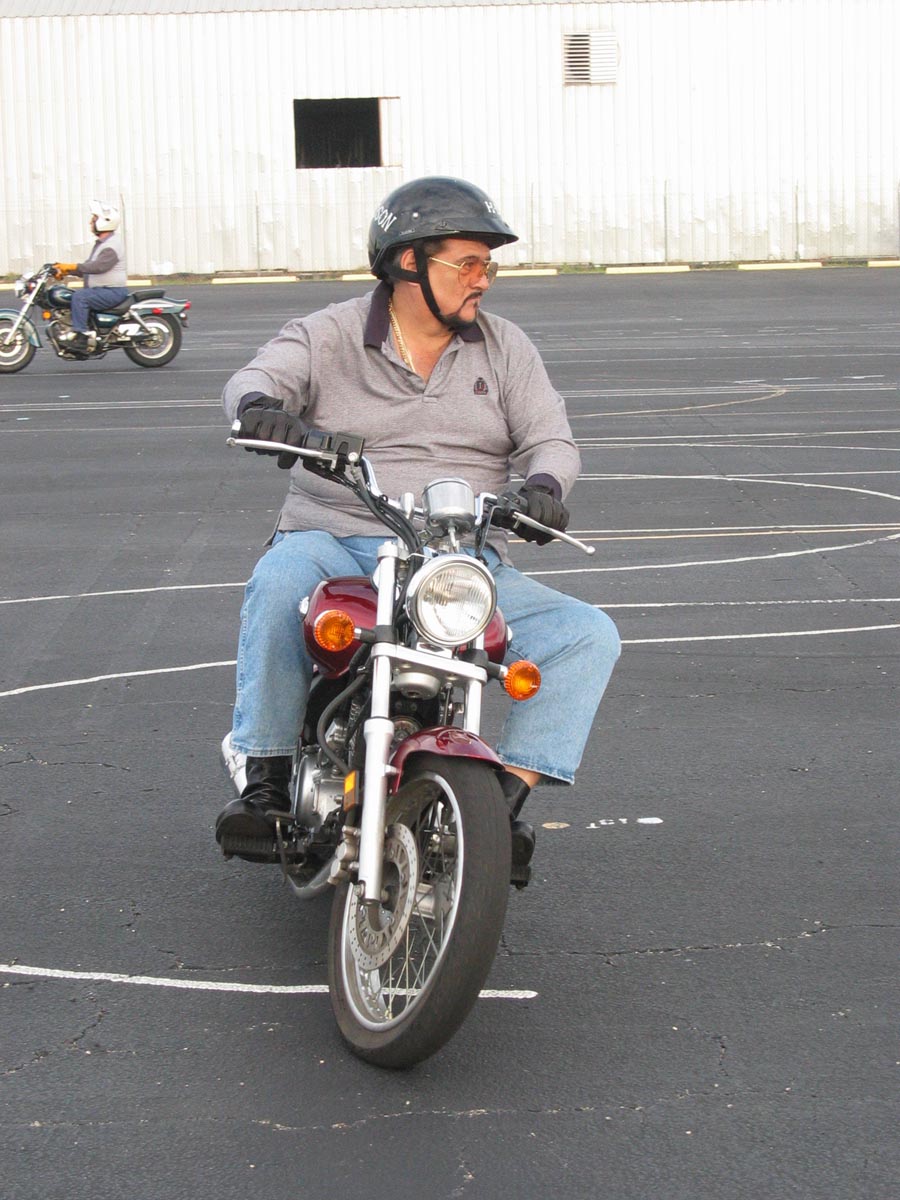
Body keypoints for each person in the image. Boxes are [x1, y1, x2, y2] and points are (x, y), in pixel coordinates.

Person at [215, 176, 621, 876]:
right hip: (335, 536)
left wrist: (545, 488)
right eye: (468, 263)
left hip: (458, 558)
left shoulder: (505, 347)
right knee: (280, 580)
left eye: (488, 265)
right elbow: (254, 379)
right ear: (408, 262)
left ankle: (498, 807)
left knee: (586, 635)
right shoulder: (328, 333)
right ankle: (267, 782)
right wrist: (262, 409)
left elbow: (552, 440)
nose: (483, 279)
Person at [54, 201, 128, 352]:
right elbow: (87, 268)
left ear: (104, 222)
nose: (90, 222)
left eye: (94, 219)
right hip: (103, 290)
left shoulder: (111, 246)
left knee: (80, 297)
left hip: (112, 291)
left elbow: (98, 267)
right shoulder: (103, 244)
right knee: (77, 296)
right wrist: (65, 270)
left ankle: (81, 338)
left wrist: (71, 266)